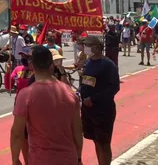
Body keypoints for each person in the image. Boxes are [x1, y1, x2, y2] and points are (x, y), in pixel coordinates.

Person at [11, 45, 83, 165]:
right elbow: (77, 131)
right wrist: (79, 157)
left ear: (32, 66)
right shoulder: (69, 93)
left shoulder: (25, 95)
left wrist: (15, 159)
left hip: (40, 159)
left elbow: (17, 133)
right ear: (52, 65)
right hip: (68, 158)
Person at [81, 36, 120, 165]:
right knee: (95, 140)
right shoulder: (88, 62)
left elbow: (114, 87)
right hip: (87, 109)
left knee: (104, 142)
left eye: (87, 45)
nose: (85, 47)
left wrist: (94, 99)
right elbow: (86, 82)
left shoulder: (108, 65)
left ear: (97, 48)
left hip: (102, 110)